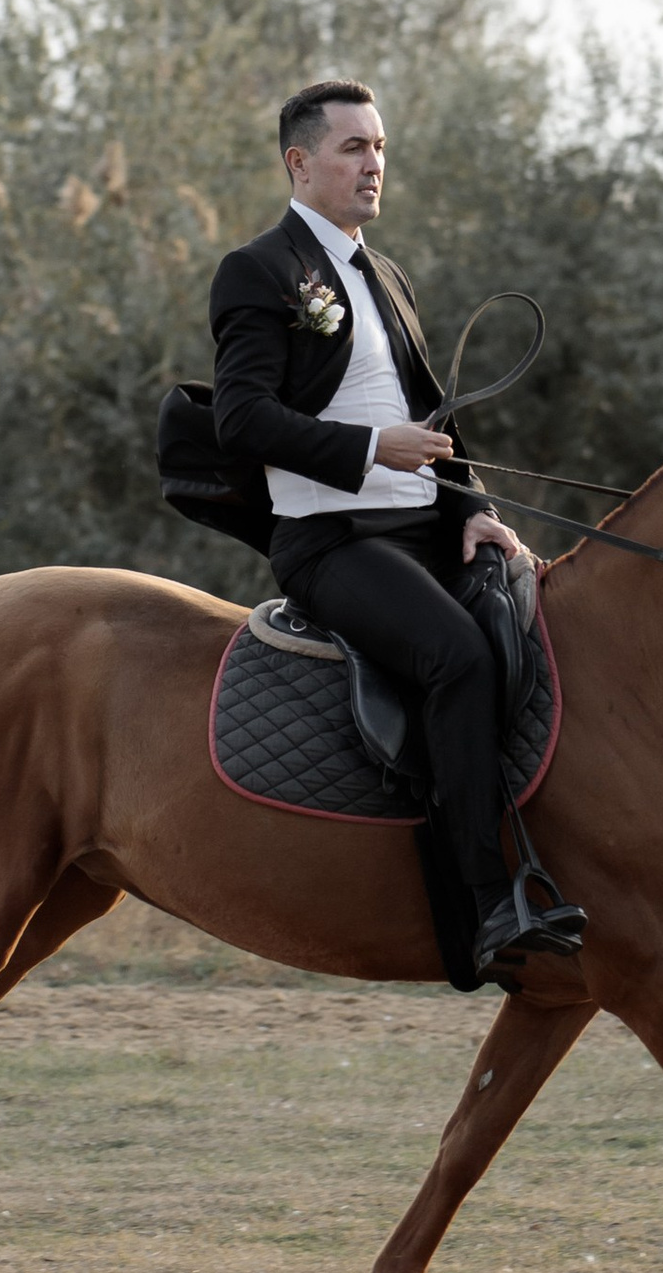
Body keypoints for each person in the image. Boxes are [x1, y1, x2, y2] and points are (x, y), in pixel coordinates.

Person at [208, 77, 585, 978]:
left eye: (379, 148)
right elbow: (242, 421)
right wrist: (374, 446)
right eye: (353, 149)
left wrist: (478, 507)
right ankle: (490, 907)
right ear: (300, 164)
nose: (374, 164)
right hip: (333, 540)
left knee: (546, 633)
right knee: (455, 657)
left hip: (425, 528)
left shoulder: (386, 274)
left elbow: (434, 417)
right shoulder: (258, 272)